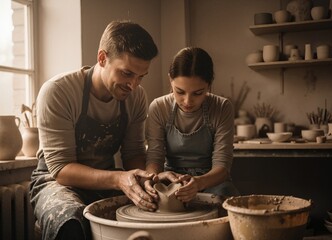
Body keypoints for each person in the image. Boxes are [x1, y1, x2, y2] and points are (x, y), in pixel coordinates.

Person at [29, 20, 158, 240]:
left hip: (106, 179)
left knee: (150, 209)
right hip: (56, 181)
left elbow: (133, 153)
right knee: (71, 217)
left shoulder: (136, 97)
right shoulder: (59, 91)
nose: (134, 85)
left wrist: (146, 180)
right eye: (127, 73)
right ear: (102, 58)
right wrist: (118, 179)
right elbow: (61, 169)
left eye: (141, 77)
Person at [145, 47, 239, 203]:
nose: (187, 101)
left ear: (209, 85)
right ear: (170, 80)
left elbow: (222, 167)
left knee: (226, 199)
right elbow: (154, 157)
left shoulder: (222, 107)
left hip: (211, 181)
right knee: (154, 200)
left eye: (198, 93)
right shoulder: (158, 107)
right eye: (180, 92)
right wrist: (156, 177)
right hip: (171, 180)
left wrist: (199, 182)